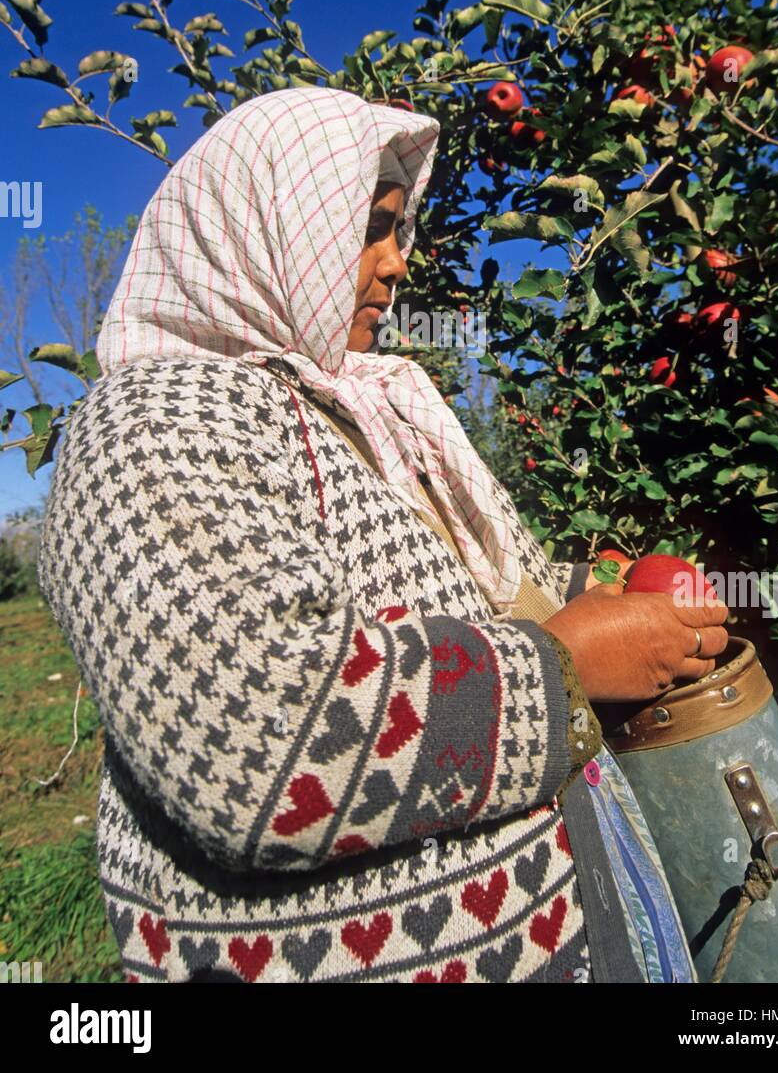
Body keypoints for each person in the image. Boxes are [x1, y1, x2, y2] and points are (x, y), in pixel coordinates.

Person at [38, 86, 728, 983]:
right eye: (369, 225)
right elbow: (258, 740)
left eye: (399, 231)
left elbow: (458, 596)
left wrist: (593, 596)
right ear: (266, 221)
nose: (395, 264)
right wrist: (562, 669)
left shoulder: (363, 407)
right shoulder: (151, 422)